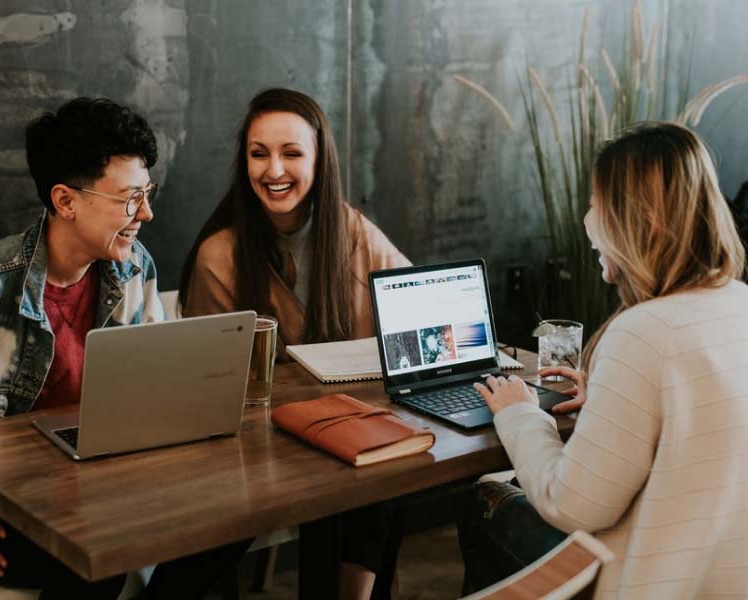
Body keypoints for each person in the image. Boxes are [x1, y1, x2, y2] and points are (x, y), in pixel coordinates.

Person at [0, 97, 246, 600]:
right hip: (5, 510)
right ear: (66, 201)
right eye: (130, 198)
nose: (146, 213)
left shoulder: (135, 268)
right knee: (96, 545)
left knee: (235, 516)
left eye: (146, 193)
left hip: (106, 488)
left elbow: (160, 394)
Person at [458, 122, 748, 598]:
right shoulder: (738, 301)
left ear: (641, 221)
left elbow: (574, 506)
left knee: (485, 499)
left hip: (657, 580)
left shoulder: (643, 332)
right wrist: (610, 400)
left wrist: (520, 414)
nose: (587, 221)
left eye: (596, 204)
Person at [179, 88, 411, 600]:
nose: (273, 170)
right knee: (351, 479)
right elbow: (210, 385)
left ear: (318, 160)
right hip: (259, 448)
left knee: (386, 465)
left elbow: (412, 302)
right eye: (259, 154)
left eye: (291, 153)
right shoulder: (221, 254)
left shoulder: (349, 228)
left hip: (345, 431)